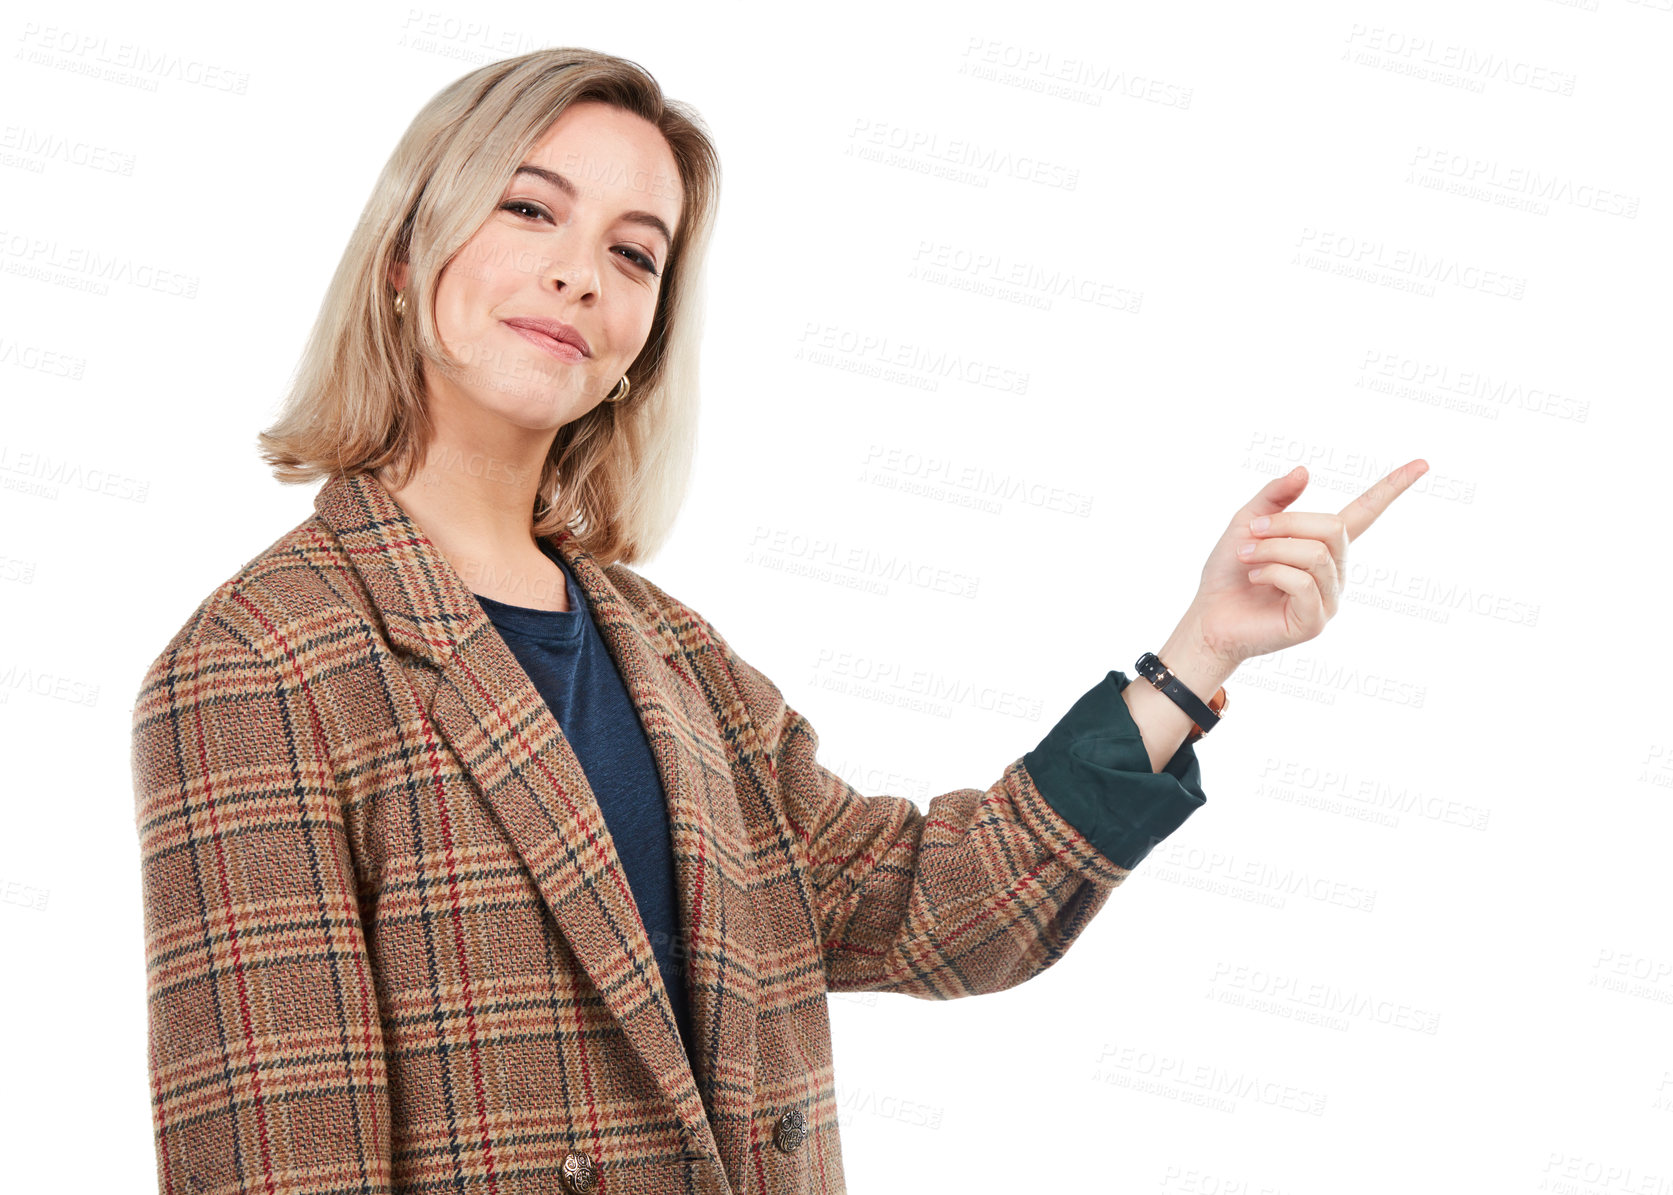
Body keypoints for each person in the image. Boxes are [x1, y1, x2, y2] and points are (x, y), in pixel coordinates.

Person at [129, 47, 1426, 1195]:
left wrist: (1198, 651)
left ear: (642, 335)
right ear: (408, 257)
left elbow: (930, 909)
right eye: (530, 208)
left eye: (635, 253)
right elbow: (274, 1158)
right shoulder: (260, 661)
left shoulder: (674, 657)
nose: (580, 273)